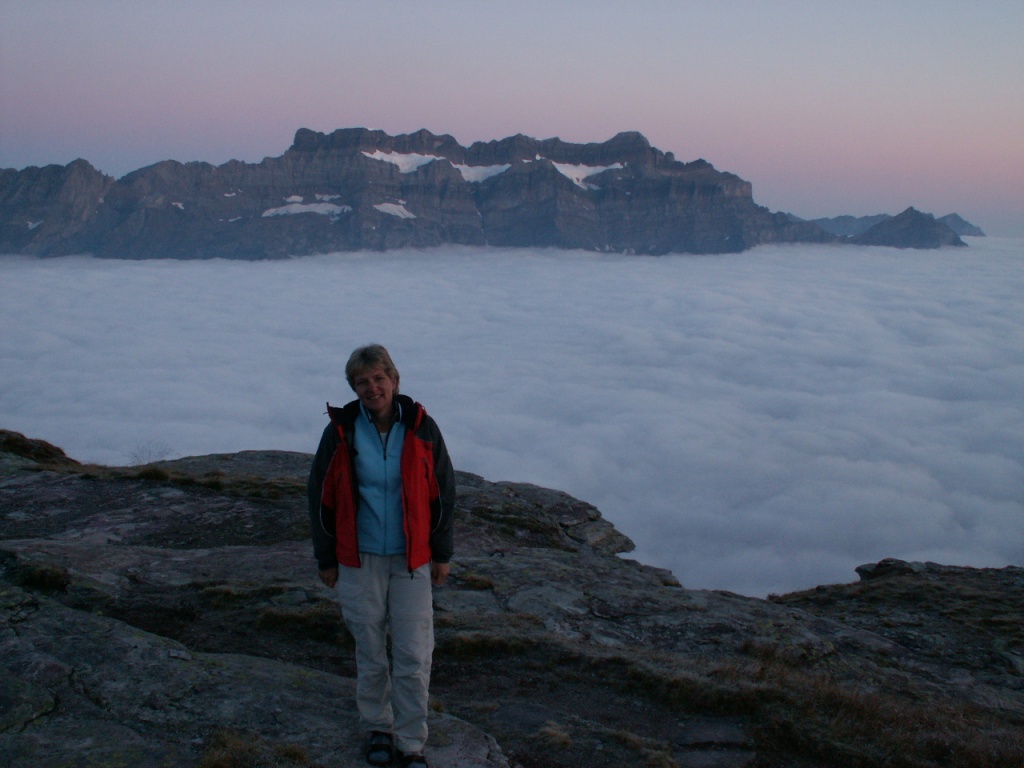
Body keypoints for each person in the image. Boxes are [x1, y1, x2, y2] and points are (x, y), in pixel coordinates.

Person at [308, 344, 455, 767]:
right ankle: (378, 727)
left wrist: (441, 553)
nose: (372, 388)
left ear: (394, 380)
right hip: (359, 559)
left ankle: (411, 743)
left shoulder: (422, 427)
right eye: (362, 382)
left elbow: (443, 492)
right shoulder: (342, 431)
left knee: (413, 654)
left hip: (412, 560)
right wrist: (326, 559)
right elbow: (320, 496)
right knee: (370, 651)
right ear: (353, 388)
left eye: (378, 378)